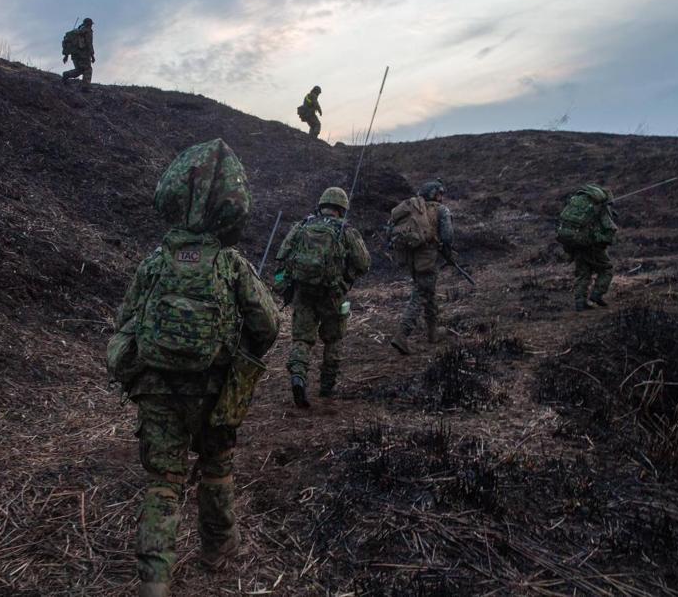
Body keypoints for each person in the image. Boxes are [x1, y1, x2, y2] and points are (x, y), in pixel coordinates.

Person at [109, 139, 280, 597]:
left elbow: (126, 323)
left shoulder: (153, 264)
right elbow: (269, 324)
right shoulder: (231, 265)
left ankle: (155, 581)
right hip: (216, 389)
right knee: (217, 467)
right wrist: (237, 350)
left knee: (163, 482)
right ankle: (219, 550)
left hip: (156, 389)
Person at [275, 187, 371, 408]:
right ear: (341, 208)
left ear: (321, 205)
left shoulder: (301, 226)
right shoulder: (345, 231)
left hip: (303, 292)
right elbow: (364, 263)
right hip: (332, 295)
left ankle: (298, 376)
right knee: (333, 339)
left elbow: (282, 257)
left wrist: (284, 284)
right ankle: (326, 388)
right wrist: (347, 277)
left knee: (302, 339)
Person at [388, 179, 453, 356]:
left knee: (428, 292)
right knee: (421, 294)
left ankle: (433, 332)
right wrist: (448, 253)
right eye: (440, 193)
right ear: (434, 194)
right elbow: (447, 237)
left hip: (411, 258)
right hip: (427, 259)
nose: (442, 197)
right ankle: (402, 334)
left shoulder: (412, 208)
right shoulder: (440, 210)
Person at [556, 184, 617, 311]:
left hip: (576, 242)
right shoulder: (601, 209)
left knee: (583, 273)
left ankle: (580, 302)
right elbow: (610, 228)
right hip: (591, 245)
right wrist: (604, 240)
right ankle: (597, 294)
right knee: (607, 269)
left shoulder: (582, 206)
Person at [62, 17, 95, 91]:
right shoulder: (87, 31)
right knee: (88, 69)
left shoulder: (76, 31)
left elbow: (68, 43)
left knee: (79, 70)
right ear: (88, 24)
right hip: (83, 54)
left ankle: (66, 74)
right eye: (91, 24)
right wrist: (92, 55)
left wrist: (66, 55)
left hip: (74, 54)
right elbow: (89, 44)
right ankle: (85, 87)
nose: (91, 26)